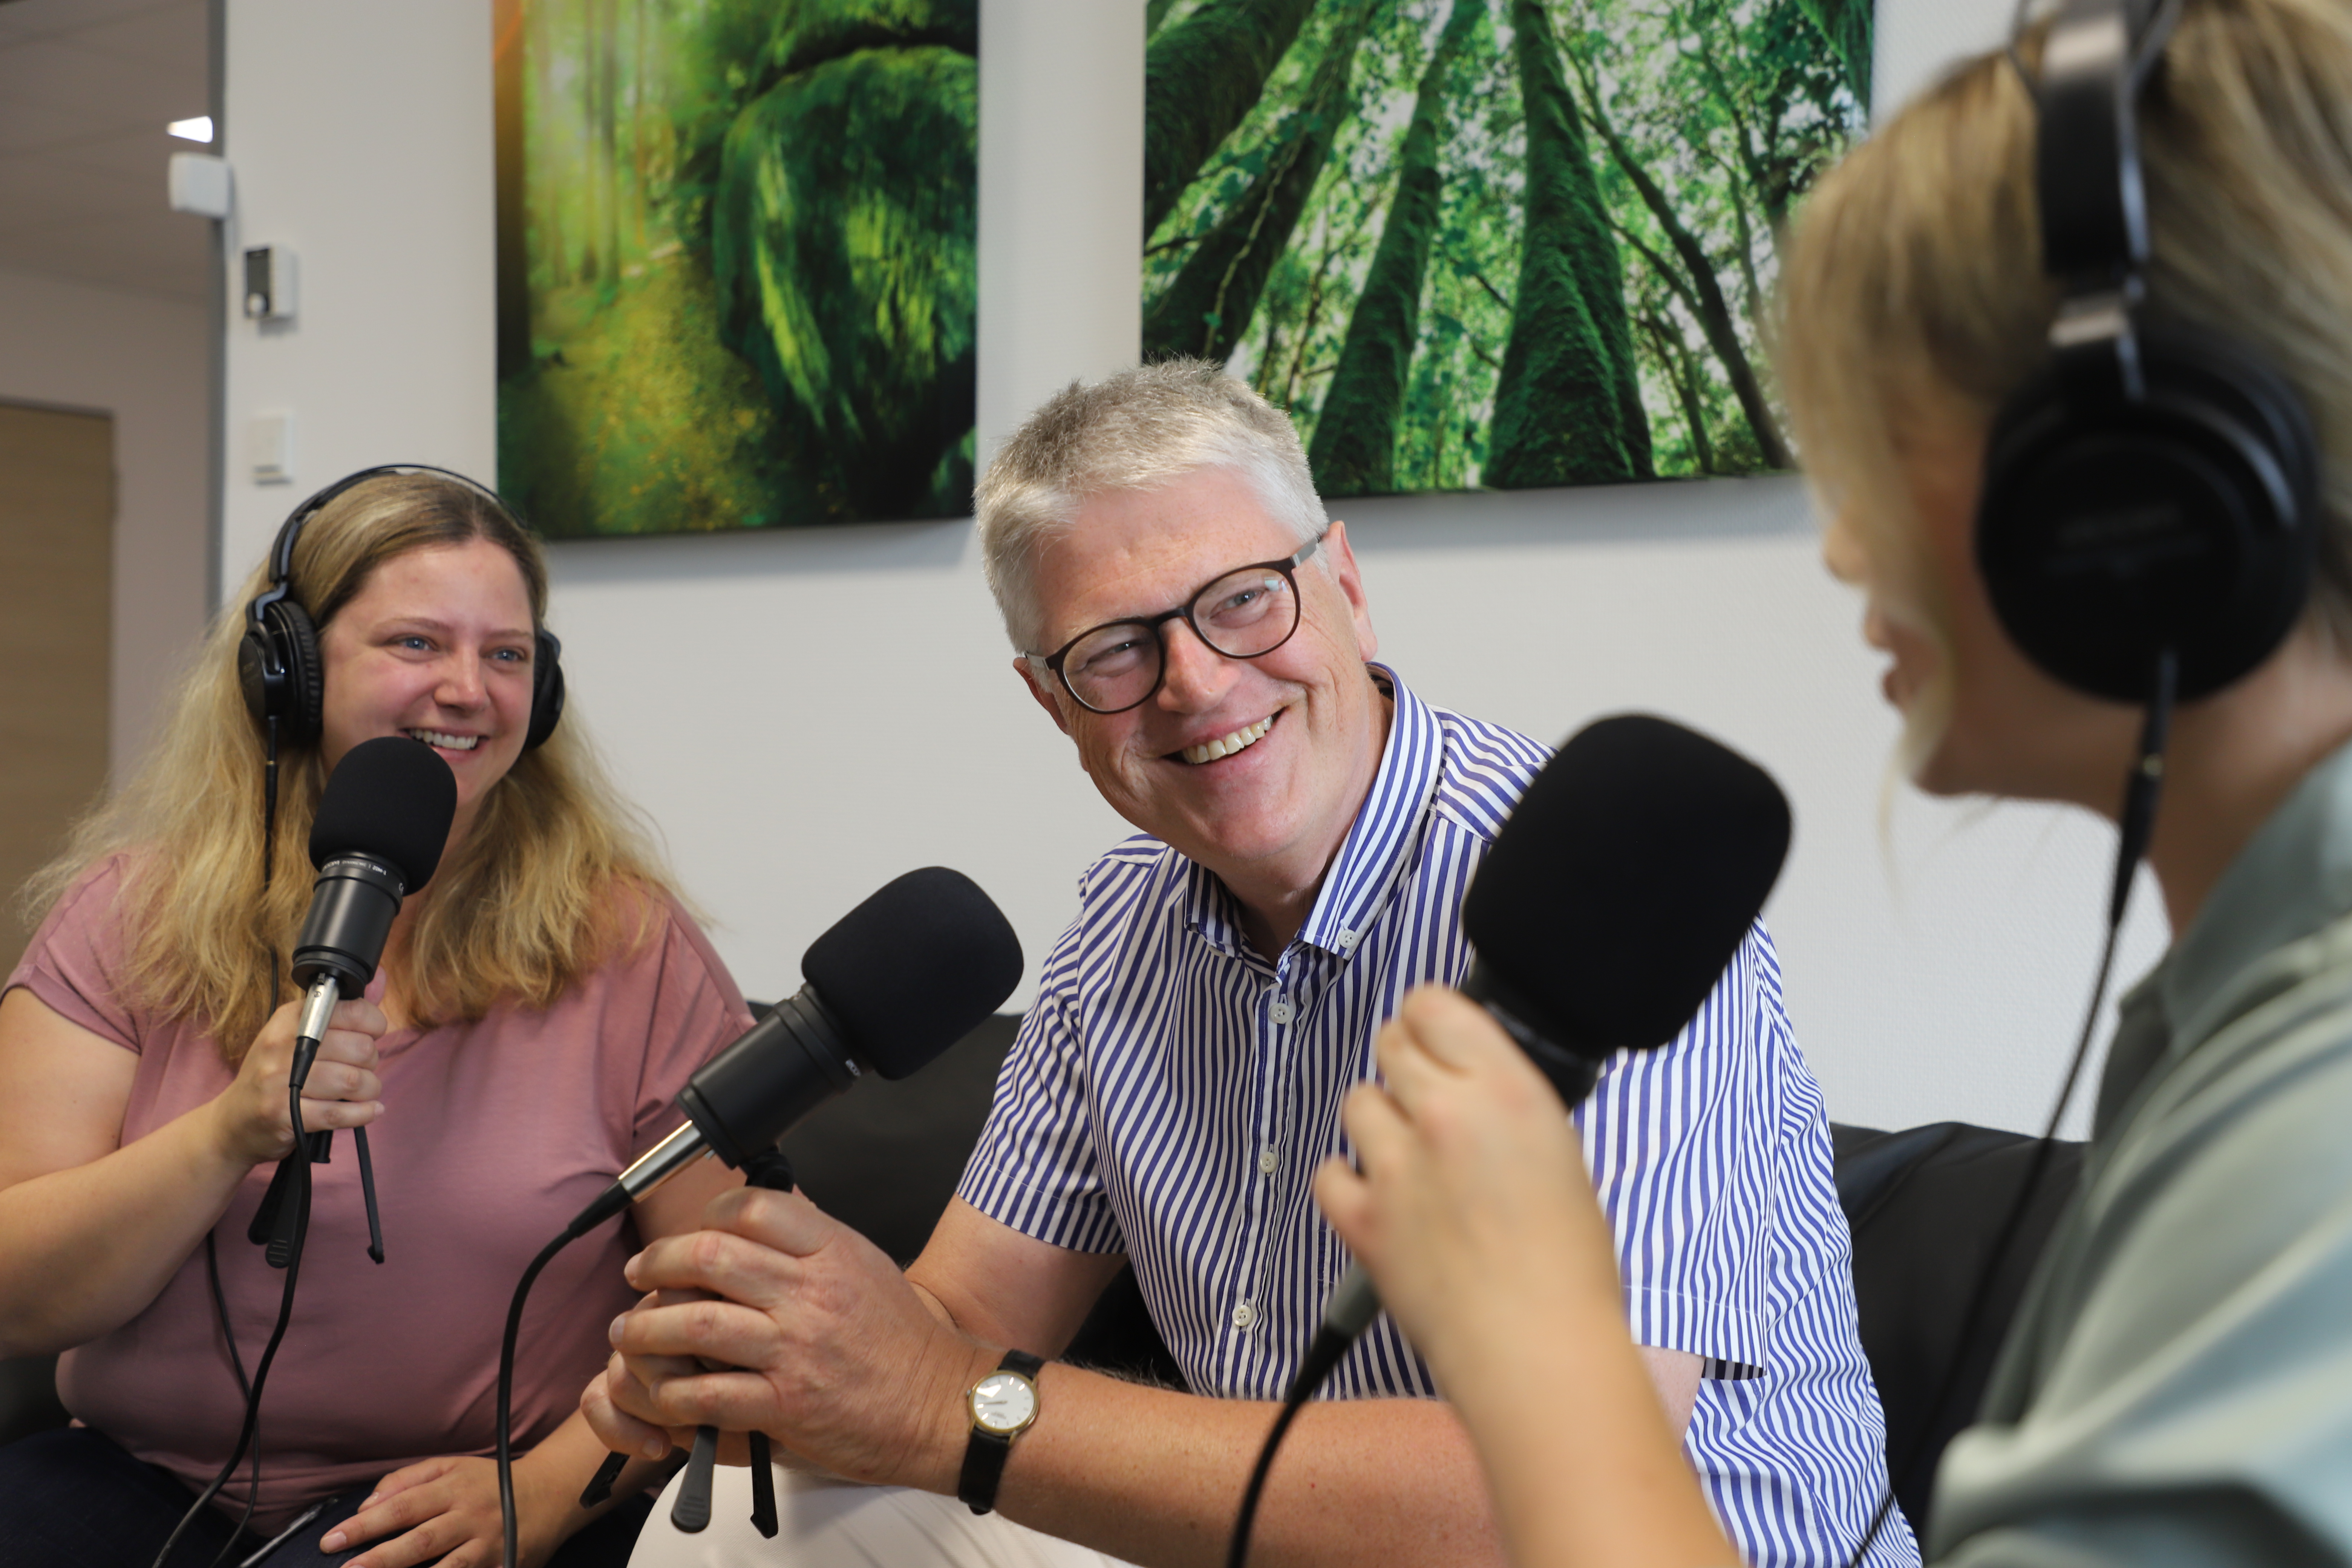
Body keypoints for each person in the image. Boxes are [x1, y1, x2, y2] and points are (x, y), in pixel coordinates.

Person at [1314, 0, 2352, 1563]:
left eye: (1882, 447)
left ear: (2133, 486)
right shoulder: (2226, 1010)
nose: (1842, 545)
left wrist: (1533, 1325)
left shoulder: (2324, 1098)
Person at [583, 364, 1915, 1567]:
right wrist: (782, 1365)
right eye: (1116, 648)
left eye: (1241, 601)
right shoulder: (1124, 923)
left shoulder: (1593, 897)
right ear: (1050, 700)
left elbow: (1528, 1505)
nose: (1199, 684)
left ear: (1342, 579)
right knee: (753, 1543)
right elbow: (967, 1315)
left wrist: (939, 1405)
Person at [0, 469, 752, 1568]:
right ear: (288, 676)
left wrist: (542, 1492)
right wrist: (224, 1136)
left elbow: (734, 1307)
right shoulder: (126, 917)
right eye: (415, 644)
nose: (469, 690)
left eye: (505, 655)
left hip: (475, 1498)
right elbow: (18, 1297)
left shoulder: (629, 945)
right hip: (141, 1480)